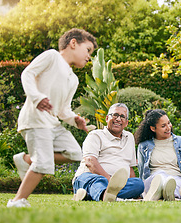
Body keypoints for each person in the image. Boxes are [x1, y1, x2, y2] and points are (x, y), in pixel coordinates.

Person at [7, 28, 98, 208]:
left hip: (53, 124)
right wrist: (37, 97)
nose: (89, 57)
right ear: (73, 43)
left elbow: (63, 108)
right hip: (35, 120)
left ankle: (26, 160)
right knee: (43, 163)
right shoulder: (52, 56)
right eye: (87, 50)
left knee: (75, 153)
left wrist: (74, 120)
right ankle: (17, 201)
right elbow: (28, 74)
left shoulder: (73, 79)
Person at [72, 103, 144, 202]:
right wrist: (109, 180)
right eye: (115, 115)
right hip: (90, 176)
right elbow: (90, 161)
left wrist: (136, 193)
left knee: (138, 184)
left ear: (126, 123)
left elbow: (130, 167)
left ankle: (91, 195)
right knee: (98, 182)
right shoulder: (95, 135)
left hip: (118, 184)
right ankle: (105, 194)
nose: (118, 119)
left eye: (122, 117)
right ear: (107, 118)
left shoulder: (129, 138)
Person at [135, 109, 181, 201]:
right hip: (153, 181)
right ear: (153, 128)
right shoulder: (144, 146)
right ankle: (167, 194)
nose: (168, 127)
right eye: (163, 126)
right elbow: (141, 171)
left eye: (169, 123)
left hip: (175, 179)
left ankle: (167, 193)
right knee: (160, 175)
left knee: (175, 182)